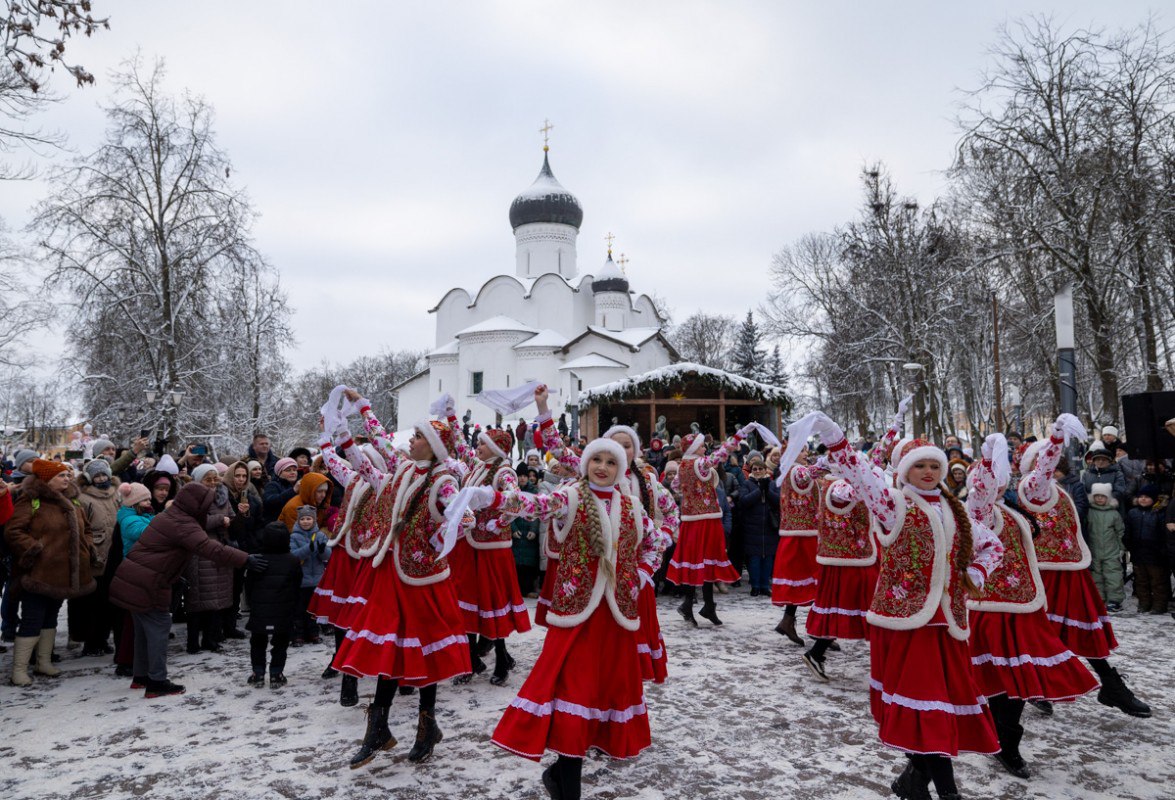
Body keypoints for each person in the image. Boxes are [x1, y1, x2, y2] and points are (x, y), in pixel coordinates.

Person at [805, 414, 1004, 800]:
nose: (928, 472)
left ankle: (914, 781)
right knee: (926, 707)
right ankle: (948, 793)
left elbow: (993, 546)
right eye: (920, 466)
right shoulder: (893, 505)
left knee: (933, 710)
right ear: (904, 471)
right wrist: (836, 439)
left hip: (947, 624)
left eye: (934, 465)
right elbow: (860, 475)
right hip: (905, 623)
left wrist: (976, 572)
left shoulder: (954, 511)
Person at [484, 437, 653, 800]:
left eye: (611, 461)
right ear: (586, 463)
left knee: (598, 693)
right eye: (597, 459)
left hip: (615, 619)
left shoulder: (634, 507)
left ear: (621, 468)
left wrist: (641, 574)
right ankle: (568, 785)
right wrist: (494, 499)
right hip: (576, 617)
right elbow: (535, 504)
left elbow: (655, 541)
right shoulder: (570, 496)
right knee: (572, 692)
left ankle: (561, 775)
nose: (603, 467)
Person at [323, 390, 472, 768]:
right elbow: (374, 452)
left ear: (434, 445)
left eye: (419, 436)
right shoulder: (404, 469)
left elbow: (463, 518)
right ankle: (379, 726)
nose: (411, 440)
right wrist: (356, 415)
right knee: (390, 648)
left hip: (422, 579)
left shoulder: (443, 481)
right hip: (391, 572)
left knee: (424, 650)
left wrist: (441, 535)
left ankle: (426, 724)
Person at [965, 434, 1098, 780]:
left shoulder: (1007, 511)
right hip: (992, 610)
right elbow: (981, 491)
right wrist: (993, 459)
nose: (996, 486)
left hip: (1021, 607)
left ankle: (1003, 739)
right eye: (993, 481)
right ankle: (1005, 743)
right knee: (1002, 682)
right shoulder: (978, 511)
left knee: (1016, 681)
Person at [1017, 417, 1150, 718]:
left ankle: (1111, 686)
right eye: (1042, 461)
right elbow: (1042, 473)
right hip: (1046, 572)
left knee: (1083, 633)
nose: (1048, 465)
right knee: (1043, 633)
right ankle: (1034, 688)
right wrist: (1054, 439)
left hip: (1070, 570)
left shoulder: (1055, 488)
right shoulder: (1032, 487)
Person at [110, 482, 263, 697]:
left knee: (144, 631)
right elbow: (210, 548)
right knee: (158, 627)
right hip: (149, 582)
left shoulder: (170, 516)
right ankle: (156, 682)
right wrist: (245, 559)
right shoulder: (182, 524)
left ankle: (141, 677)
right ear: (195, 504)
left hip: (135, 578)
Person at [442, 409, 531, 687]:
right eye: (478, 443)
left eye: (482, 443)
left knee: (492, 602)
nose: (476, 447)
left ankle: (502, 657)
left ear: (495, 447)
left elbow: (515, 501)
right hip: (469, 543)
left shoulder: (504, 471)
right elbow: (459, 446)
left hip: (491, 547)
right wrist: (452, 418)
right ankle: (470, 659)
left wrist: (498, 523)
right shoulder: (477, 467)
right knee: (466, 601)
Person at [4, 460, 96, 686]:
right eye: (61, 476)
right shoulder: (32, 499)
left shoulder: (73, 500)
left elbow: (88, 528)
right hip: (38, 573)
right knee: (31, 619)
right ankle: (19, 669)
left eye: (67, 475)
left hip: (63, 573)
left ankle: (43, 662)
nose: (67, 479)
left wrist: (88, 547)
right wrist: (35, 549)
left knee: (50, 617)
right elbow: (13, 531)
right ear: (46, 479)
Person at [667, 427, 751, 626]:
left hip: (690, 520)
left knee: (695, 561)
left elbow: (676, 486)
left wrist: (692, 494)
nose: (704, 447)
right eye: (701, 445)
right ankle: (704, 606)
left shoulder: (683, 466)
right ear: (695, 448)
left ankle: (694, 604)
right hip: (706, 519)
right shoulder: (700, 464)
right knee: (707, 560)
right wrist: (738, 436)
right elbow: (720, 455)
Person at [183, 464, 239, 652]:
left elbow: (231, 516)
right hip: (199, 550)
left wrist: (233, 518)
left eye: (215, 478)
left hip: (219, 549)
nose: (214, 482)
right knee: (197, 599)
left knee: (216, 599)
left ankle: (211, 639)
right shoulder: (190, 497)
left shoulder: (223, 495)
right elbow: (193, 522)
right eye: (208, 479)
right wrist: (218, 520)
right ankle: (193, 642)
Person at [770, 438, 821, 643]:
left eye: (806, 450)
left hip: (803, 533)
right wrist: (834, 458)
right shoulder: (796, 471)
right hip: (803, 535)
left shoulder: (790, 470)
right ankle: (821, 630)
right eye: (801, 450)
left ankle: (788, 621)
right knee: (817, 579)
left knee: (804, 581)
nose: (805, 453)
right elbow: (809, 474)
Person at [245, 521, 302, 687]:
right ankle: (276, 673)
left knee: (257, 642)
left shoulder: (257, 559)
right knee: (281, 643)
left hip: (260, 609)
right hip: (283, 609)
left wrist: (253, 604)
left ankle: (258, 673)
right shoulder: (292, 561)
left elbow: (248, 585)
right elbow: (296, 584)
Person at [75, 458, 122, 656]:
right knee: (93, 603)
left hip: (115, 554)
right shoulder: (84, 498)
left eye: (104, 474)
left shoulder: (116, 495)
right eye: (97, 475)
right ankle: (92, 641)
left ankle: (103, 638)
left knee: (110, 601)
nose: (101, 478)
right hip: (96, 557)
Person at [737, 456, 779, 597]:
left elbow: (778, 501)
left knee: (768, 558)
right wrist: (759, 490)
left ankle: (765, 586)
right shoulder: (747, 484)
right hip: (752, 527)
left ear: (765, 470)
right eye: (755, 469)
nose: (758, 471)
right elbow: (744, 501)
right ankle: (755, 586)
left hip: (769, 526)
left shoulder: (772, 484)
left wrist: (767, 490)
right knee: (754, 558)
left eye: (760, 469)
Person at [289, 505, 329, 646]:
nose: (306, 521)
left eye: (309, 518)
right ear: (298, 521)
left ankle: (314, 633)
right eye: (303, 519)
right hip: (301, 581)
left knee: (313, 611)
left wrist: (323, 550)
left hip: (316, 580)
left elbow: (328, 556)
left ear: (314, 520)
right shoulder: (294, 537)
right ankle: (298, 635)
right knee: (299, 610)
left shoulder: (320, 535)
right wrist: (309, 548)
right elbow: (293, 556)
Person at [1125, 485, 1168, 614]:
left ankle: (1159, 605)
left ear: (1154, 499)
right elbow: (1128, 531)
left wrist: (1162, 549)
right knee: (1141, 581)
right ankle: (1144, 603)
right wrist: (1128, 544)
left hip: (1155, 553)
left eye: (1147, 497)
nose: (1143, 499)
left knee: (1158, 581)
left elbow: (1163, 533)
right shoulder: (1133, 513)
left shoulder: (1159, 513)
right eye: (1141, 497)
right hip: (1138, 552)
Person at [1086, 483, 1126, 611]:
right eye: (1096, 496)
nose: (1099, 499)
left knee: (1113, 575)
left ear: (1108, 498)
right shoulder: (1090, 512)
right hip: (1094, 549)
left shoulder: (1114, 514)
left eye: (1102, 496)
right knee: (1096, 576)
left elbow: (1120, 531)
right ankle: (1099, 597)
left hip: (1111, 550)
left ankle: (1114, 600)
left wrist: (1122, 548)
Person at [262, 458, 300, 523]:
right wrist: (293, 490)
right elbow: (270, 502)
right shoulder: (272, 485)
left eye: (294, 470)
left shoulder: (299, 485)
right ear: (279, 473)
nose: (292, 472)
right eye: (288, 470)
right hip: (278, 525)